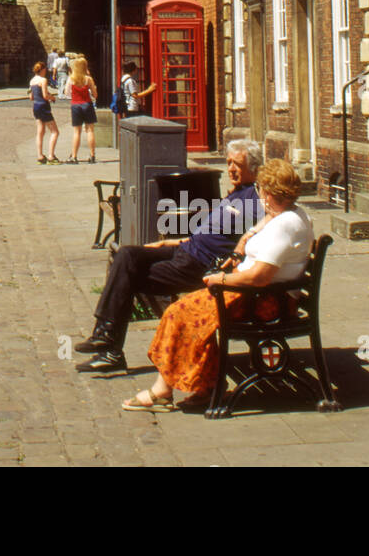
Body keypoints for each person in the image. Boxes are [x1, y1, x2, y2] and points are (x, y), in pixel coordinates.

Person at [121, 157, 312, 410]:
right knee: (184, 312)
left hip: (263, 301)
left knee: (179, 314)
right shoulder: (288, 214)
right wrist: (246, 238)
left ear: (267, 192)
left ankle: (164, 391)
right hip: (254, 294)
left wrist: (221, 279)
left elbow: (259, 277)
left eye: (261, 190)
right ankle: (207, 387)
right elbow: (266, 227)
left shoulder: (285, 225)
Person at [75, 139, 263, 373]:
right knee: (126, 254)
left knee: (125, 276)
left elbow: (266, 225)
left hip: (199, 265)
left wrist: (242, 245)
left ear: (254, 169)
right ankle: (104, 336)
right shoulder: (234, 194)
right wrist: (169, 241)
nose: (231, 169)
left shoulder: (255, 199)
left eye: (237, 164)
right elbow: (205, 233)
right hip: (185, 250)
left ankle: (109, 350)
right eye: (229, 163)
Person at [65, 55, 98, 164]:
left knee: (77, 132)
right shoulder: (88, 79)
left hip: (75, 105)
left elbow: (67, 93)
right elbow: (95, 94)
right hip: (87, 104)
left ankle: (74, 156)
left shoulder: (71, 79)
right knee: (90, 130)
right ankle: (92, 155)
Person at [29, 61, 60, 164]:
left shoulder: (32, 81)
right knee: (55, 132)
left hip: (36, 106)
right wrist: (52, 97)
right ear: (42, 70)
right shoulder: (43, 80)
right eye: (45, 69)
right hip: (43, 106)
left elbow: (31, 97)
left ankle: (40, 156)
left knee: (40, 132)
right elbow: (45, 96)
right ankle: (51, 156)